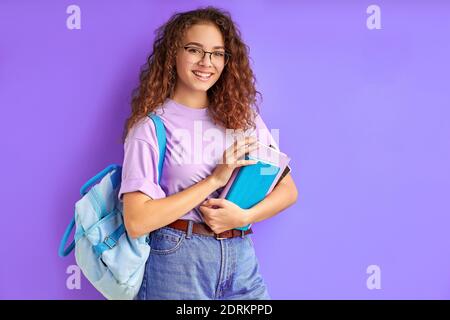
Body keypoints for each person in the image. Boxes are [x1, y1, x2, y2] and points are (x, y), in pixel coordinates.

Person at [118, 6, 298, 300]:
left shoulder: (244, 118)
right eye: (195, 50)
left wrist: (243, 216)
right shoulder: (151, 127)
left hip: (240, 259)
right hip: (177, 260)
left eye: (217, 53)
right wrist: (215, 179)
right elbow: (137, 221)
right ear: (173, 53)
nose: (206, 62)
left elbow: (288, 190)